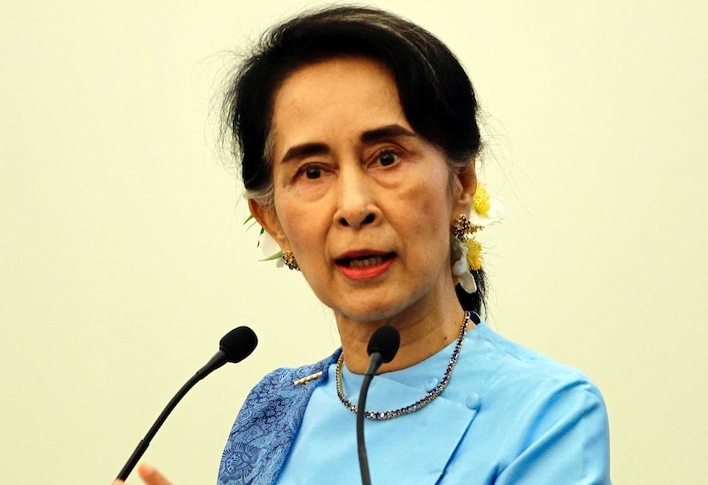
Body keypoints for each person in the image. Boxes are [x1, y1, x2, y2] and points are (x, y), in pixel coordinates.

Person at [127, 5, 611, 484]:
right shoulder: (272, 410)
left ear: (461, 185)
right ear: (272, 220)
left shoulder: (547, 414)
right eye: (313, 171)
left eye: (386, 157)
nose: (354, 206)